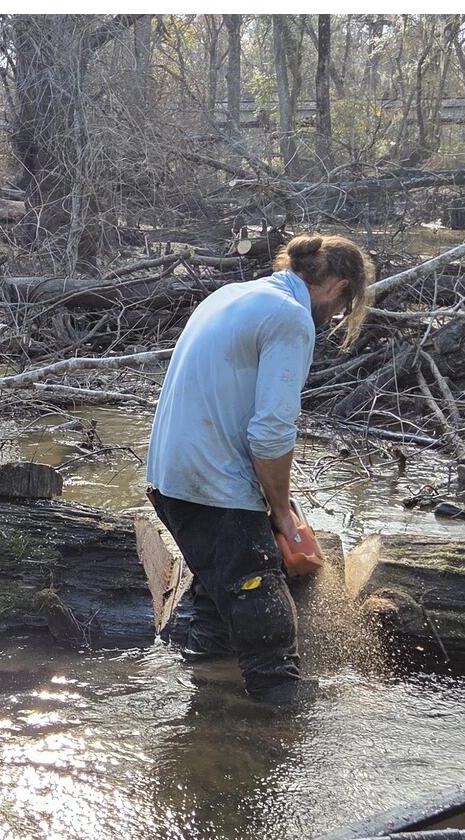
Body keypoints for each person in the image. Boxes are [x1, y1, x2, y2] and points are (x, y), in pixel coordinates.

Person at [145, 234, 374, 704]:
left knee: (217, 595)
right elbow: (271, 432)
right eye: (339, 307)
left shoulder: (232, 294)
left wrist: (275, 500)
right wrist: (282, 514)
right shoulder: (290, 317)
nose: (332, 318)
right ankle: (276, 722)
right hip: (213, 485)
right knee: (262, 607)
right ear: (338, 287)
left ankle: (208, 696)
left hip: (170, 478)